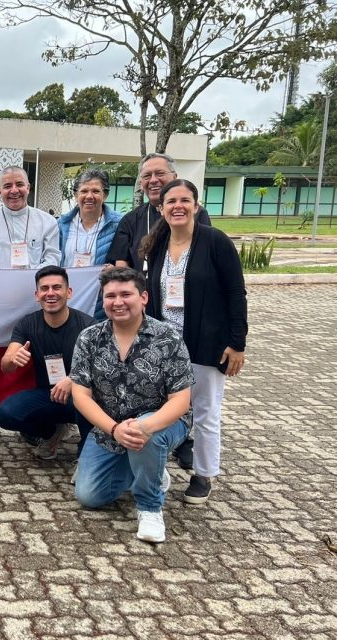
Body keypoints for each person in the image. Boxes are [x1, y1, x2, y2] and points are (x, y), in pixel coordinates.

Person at [141, 179, 247, 505]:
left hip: (206, 344)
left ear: (196, 206)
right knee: (162, 409)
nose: (178, 206)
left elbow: (235, 293)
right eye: (171, 201)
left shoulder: (214, 241)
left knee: (205, 412)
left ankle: (203, 474)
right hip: (166, 346)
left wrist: (237, 343)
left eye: (185, 200)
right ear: (161, 208)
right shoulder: (157, 246)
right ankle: (155, 467)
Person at [72, 267, 193, 544]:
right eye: (110, 296)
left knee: (144, 436)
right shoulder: (89, 338)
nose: (118, 302)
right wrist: (115, 430)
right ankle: (150, 468)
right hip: (110, 426)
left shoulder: (168, 338)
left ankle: (150, 507)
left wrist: (142, 427)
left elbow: (181, 401)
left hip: (164, 422)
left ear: (144, 298)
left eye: (126, 294)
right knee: (89, 496)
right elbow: (80, 395)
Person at [0, 266, 95, 455]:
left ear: (69, 292)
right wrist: (13, 358)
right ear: (37, 295)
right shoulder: (27, 324)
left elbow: (101, 368)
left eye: (57, 287)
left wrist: (73, 379)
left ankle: (86, 455)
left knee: (98, 405)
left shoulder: (88, 326)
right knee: (5, 414)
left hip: (83, 395)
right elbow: (6, 366)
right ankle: (51, 433)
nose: (50, 293)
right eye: (45, 289)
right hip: (48, 395)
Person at [107, 152, 212, 272]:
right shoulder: (130, 220)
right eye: (146, 176)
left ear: (174, 177)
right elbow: (121, 264)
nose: (153, 180)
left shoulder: (195, 214)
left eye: (160, 173)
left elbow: (206, 257)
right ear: (141, 183)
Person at [0, 166, 60, 269]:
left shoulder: (47, 222)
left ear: (28, 188)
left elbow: (52, 259)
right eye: (7, 186)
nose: (14, 190)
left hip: (33, 283)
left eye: (19, 184)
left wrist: (30, 278)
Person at [57, 168, 122, 270]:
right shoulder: (62, 225)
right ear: (75, 195)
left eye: (95, 191)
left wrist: (115, 270)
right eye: (84, 191)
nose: (89, 196)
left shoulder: (119, 224)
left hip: (101, 285)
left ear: (105, 195)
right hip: (68, 285)